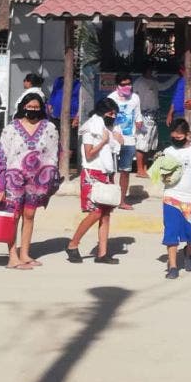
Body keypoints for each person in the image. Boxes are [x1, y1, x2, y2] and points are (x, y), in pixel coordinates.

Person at [0, 93, 61, 269]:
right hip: (13, 178)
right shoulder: (11, 129)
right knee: (13, 216)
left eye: (37, 107)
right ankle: (12, 257)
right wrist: (1, 186)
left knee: (29, 215)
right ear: (23, 107)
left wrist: (50, 182)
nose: (33, 110)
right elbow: (0, 156)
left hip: (38, 179)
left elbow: (54, 155)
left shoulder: (49, 128)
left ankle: (25, 253)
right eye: (30, 107)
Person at [66, 98, 122, 264]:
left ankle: (102, 253)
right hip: (92, 173)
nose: (113, 116)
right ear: (102, 112)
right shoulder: (90, 129)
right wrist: (104, 141)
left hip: (106, 173)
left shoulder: (107, 129)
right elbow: (89, 154)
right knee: (96, 212)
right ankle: (73, 244)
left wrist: (114, 139)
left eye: (115, 114)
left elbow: (116, 148)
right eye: (110, 113)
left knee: (106, 214)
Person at [157, 118, 191, 280]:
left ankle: (189, 253)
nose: (176, 140)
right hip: (171, 197)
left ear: (188, 135)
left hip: (190, 199)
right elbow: (159, 173)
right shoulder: (168, 151)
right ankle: (173, 266)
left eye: (179, 137)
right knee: (171, 232)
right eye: (173, 137)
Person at [109, 73, 142, 211]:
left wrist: (139, 123)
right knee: (110, 171)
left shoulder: (135, 98)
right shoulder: (111, 98)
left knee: (125, 171)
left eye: (129, 84)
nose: (127, 86)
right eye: (123, 84)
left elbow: (138, 116)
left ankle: (122, 201)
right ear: (117, 85)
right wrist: (114, 133)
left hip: (129, 140)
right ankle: (109, 200)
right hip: (113, 140)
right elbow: (107, 120)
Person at [133, 65, 160, 178]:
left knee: (150, 144)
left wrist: (176, 77)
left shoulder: (154, 82)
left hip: (154, 116)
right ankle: (139, 170)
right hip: (143, 116)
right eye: (151, 70)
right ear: (146, 71)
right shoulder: (138, 82)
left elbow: (164, 86)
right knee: (142, 143)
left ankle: (144, 168)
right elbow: (133, 98)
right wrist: (137, 117)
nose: (152, 72)